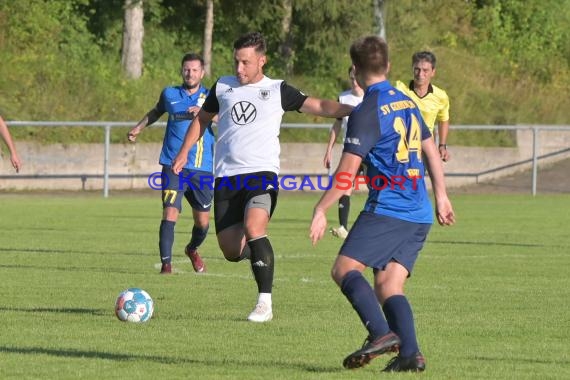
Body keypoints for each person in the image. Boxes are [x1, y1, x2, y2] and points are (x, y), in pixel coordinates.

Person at [172, 32, 353, 322]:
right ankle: (260, 255)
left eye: (245, 62)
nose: (239, 69)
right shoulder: (222, 87)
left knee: (255, 227)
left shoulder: (278, 89)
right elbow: (202, 119)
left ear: (262, 60)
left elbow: (319, 106)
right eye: (236, 62)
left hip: (261, 174)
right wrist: (183, 153)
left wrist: (355, 110)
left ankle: (264, 303)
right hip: (227, 178)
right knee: (231, 250)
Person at [310, 36, 455, 372]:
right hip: (419, 212)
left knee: (343, 269)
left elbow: (346, 174)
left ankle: (381, 333)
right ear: (388, 66)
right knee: (389, 284)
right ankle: (410, 356)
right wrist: (442, 196)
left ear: (356, 72)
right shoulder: (408, 103)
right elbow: (431, 151)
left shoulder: (367, 111)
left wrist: (320, 209)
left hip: (389, 208)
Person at [128, 53, 215, 275]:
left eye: (195, 70)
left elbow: (228, 118)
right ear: (181, 71)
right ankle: (166, 266)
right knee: (170, 212)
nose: (190, 73)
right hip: (173, 163)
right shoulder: (170, 94)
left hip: (201, 166)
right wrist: (139, 127)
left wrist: (207, 115)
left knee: (203, 222)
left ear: (202, 73)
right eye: (187, 69)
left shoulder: (212, 97)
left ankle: (192, 249)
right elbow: (156, 111)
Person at [323, 67, 364, 239]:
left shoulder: (370, 96)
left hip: (370, 151)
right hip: (351, 151)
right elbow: (337, 125)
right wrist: (329, 150)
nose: (354, 81)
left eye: (356, 78)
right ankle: (343, 227)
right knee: (344, 186)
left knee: (379, 186)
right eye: (351, 78)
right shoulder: (343, 98)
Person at [395, 51, 451, 162]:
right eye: (417, 69)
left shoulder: (440, 96)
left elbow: (443, 120)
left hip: (424, 147)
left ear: (433, 72)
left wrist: (442, 145)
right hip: (400, 146)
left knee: (419, 179)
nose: (420, 74)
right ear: (412, 69)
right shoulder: (399, 89)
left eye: (425, 70)